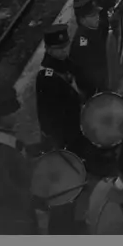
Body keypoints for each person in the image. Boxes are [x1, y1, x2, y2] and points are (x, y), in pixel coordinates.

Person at [0, 87, 37, 235]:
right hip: (10, 220)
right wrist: (35, 198)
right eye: (12, 112)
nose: (17, 114)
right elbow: (4, 191)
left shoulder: (1, 134)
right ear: (1, 116)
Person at [36, 25, 91, 153]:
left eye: (66, 46)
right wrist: (51, 134)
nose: (64, 50)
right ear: (48, 49)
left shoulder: (66, 61)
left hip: (76, 118)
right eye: (59, 48)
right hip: (64, 127)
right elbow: (45, 110)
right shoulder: (45, 77)